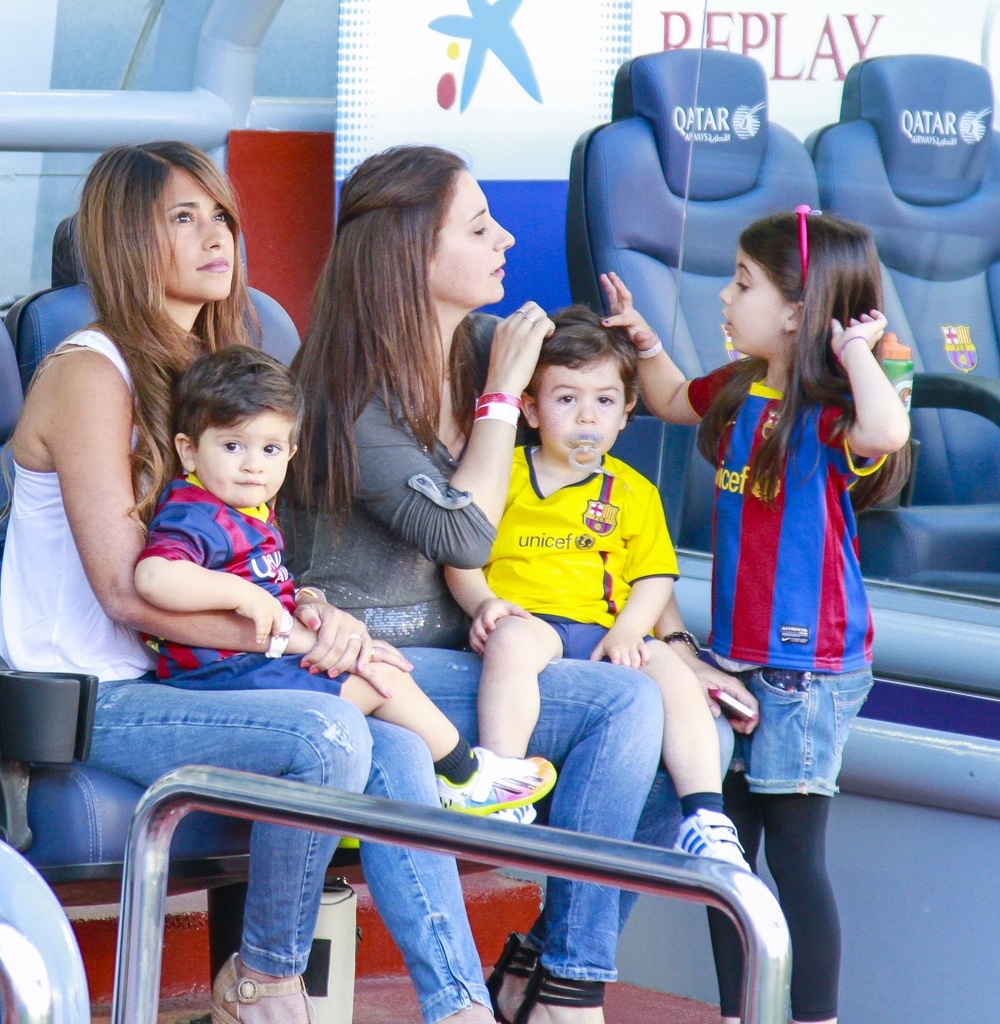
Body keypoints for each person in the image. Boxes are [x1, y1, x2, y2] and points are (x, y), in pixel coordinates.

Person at [0, 140, 502, 1024]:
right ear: (123, 243)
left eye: (220, 214)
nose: (214, 235)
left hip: (192, 675)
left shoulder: (216, 367)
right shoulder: (89, 372)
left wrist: (315, 610)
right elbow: (127, 592)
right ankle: (265, 980)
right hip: (94, 694)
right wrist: (300, 647)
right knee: (330, 728)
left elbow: (242, 558)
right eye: (181, 219)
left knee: (399, 744)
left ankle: (459, 1008)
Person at [291, 144, 725, 1024]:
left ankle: (558, 971)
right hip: (377, 662)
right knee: (604, 710)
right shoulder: (346, 396)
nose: (507, 239)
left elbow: (617, 505)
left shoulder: (485, 345)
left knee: (669, 712)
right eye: (479, 226)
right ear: (413, 254)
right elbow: (461, 530)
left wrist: (676, 645)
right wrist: (496, 404)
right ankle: (510, 998)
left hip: (480, 656)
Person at [599, 207, 911, 1024]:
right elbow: (668, 397)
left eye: (743, 282)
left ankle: (811, 1016)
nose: (724, 296)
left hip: (805, 672)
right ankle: (745, 1011)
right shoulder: (740, 389)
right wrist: (640, 336)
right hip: (731, 660)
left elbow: (888, 428)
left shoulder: (833, 408)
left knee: (797, 860)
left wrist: (851, 351)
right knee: (725, 861)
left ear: (798, 312)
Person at [134, 345, 557, 819]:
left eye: (270, 449)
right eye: (233, 446)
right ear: (188, 450)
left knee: (375, 662)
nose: (253, 464)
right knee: (380, 680)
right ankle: (466, 779)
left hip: (253, 663)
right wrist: (242, 594)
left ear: (290, 454)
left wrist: (305, 601)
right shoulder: (197, 512)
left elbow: (270, 581)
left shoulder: (248, 508)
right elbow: (153, 577)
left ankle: (452, 785)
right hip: (220, 674)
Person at [443, 306, 748, 865]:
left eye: (604, 401)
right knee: (510, 642)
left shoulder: (633, 491)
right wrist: (484, 603)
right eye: (566, 400)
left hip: (602, 629)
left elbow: (654, 574)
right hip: (529, 622)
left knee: (675, 679)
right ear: (530, 409)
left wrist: (631, 632)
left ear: (628, 411)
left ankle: (706, 815)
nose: (587, 417)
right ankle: (503, 781)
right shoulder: (503, 471)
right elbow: (459, 555)